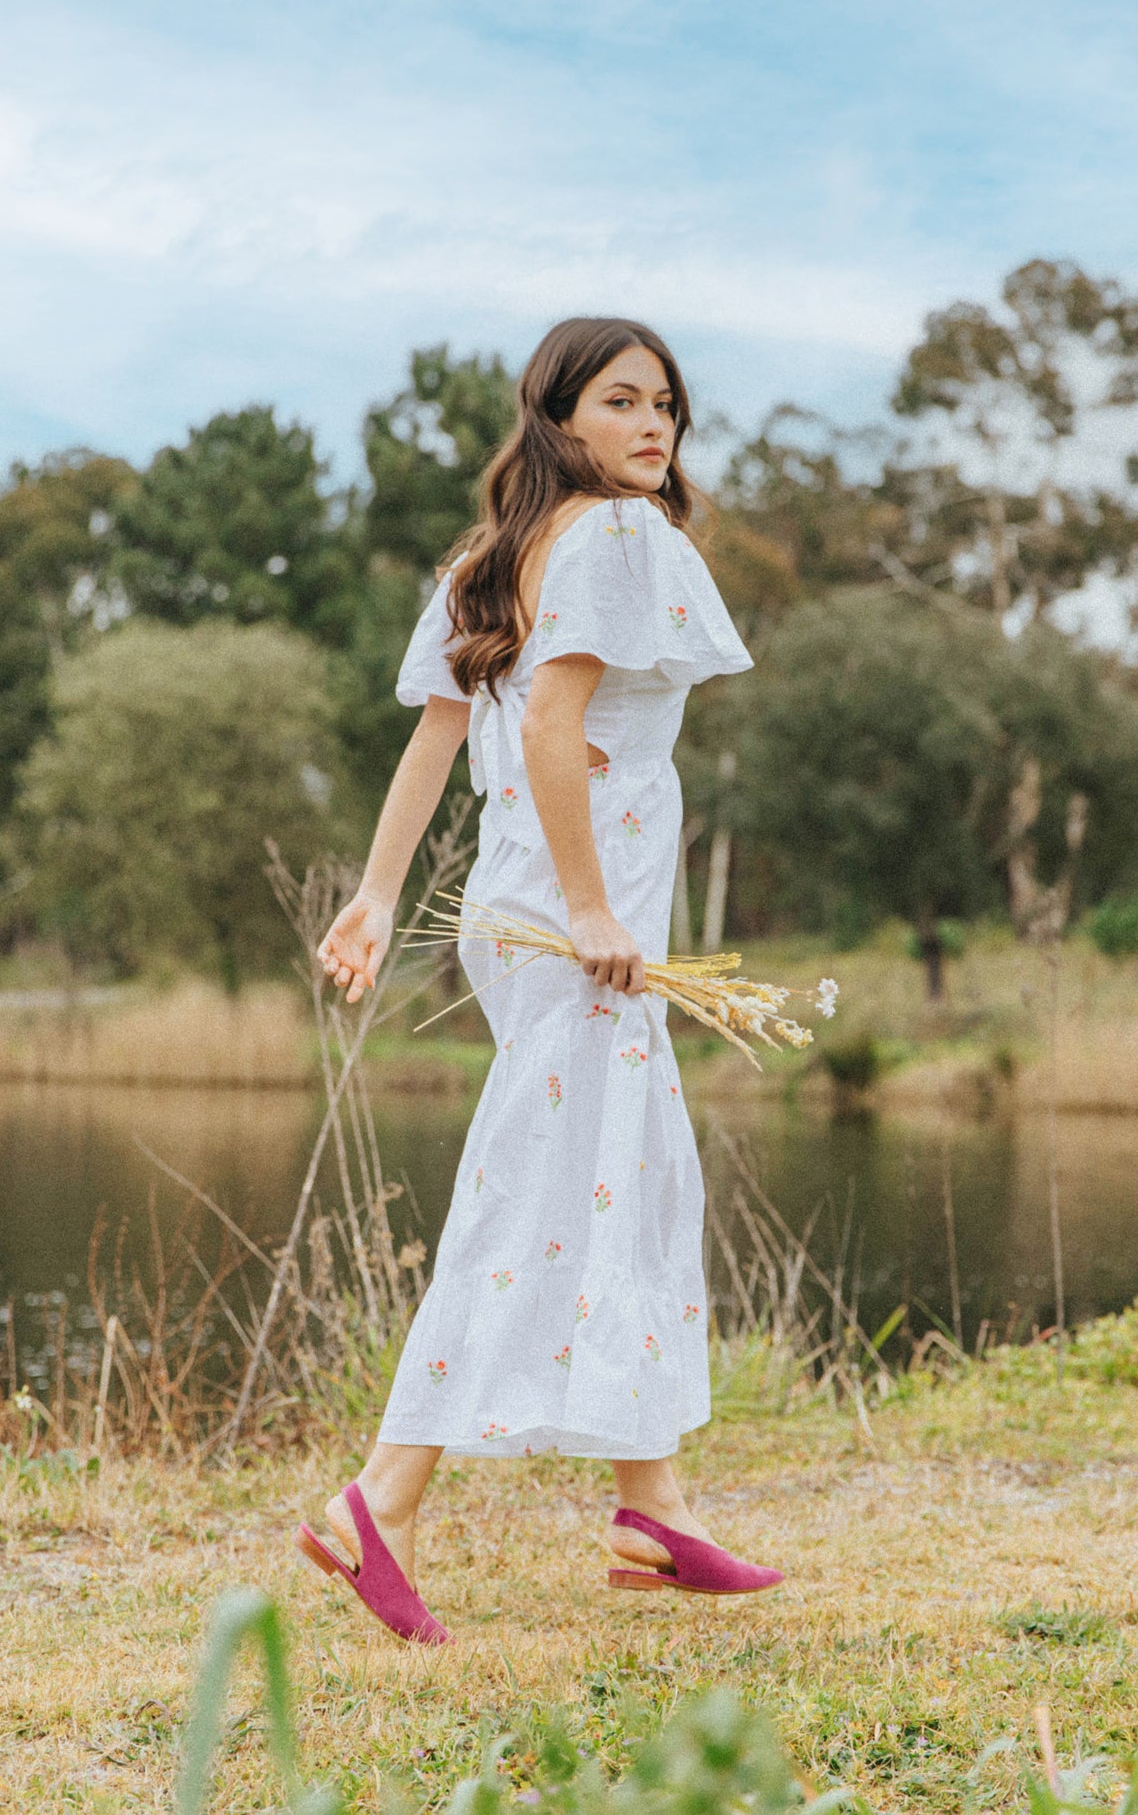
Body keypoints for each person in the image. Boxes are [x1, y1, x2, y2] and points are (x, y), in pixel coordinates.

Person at [297, 317, 783, 1643]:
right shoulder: (622, 540)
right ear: (557, 414)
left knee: (631, 1181)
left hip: (517, 919)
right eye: (621, 401)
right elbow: (553, 724)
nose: (653, 427)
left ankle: (654, 1509)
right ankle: (378, 1505)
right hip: (576, 929)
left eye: (668, 406)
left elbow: (436, 742)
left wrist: (381, 892)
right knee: (540, 1197)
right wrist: (589, 907)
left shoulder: (493, 555)